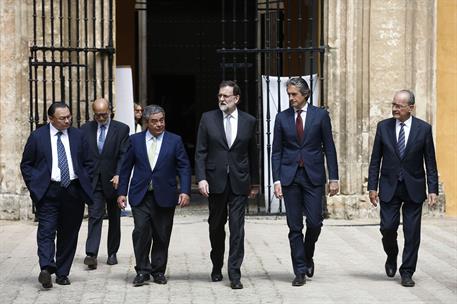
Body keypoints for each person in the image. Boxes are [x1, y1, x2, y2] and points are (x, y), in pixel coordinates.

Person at [271, 77, 339, 286]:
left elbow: (329, 147)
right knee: (294, 227)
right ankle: (299, 270)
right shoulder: (281, 118)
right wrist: (276, 180)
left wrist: (334, 178)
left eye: (294, 94)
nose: (291, 98)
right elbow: (277, 151)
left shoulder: (320, 116)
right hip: (290, 176)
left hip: (313, 176)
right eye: (289, 94)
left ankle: (307, 254)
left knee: (315, 222)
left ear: (305, 94)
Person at [368, 89, 438, 287]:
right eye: (393, 105)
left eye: (399, 106)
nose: (395, 109)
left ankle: (407, 271)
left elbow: (430, 162)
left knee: (412, 232)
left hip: (414, 187)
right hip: (389, 186)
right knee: (387, 228)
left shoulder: (423, 129)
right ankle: (391, 255)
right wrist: (372, 187)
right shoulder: (383, 127)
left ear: (411, 108)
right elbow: (375, 160)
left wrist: (432, 189)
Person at [20, 102, 94, 288]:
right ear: (51, 119)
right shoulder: (38, 137)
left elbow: (89, 162)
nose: (67, 120)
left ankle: (62, 273)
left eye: (69, 116)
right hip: (48, 191)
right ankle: (46, 268)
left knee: (69, 233)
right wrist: (35, 186)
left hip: (73, 190)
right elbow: (26, 164)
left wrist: (85, 182)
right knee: (46, 230)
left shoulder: (78, 135)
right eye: (62, 118)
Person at [117, 104, 191, 287]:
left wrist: (185, 191)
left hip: (165, 194)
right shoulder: (135, 141)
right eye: (154, 121)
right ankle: (142, 270)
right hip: (141, 195)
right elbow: (125, 168)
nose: (159, 124)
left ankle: (158, 271)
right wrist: (121, 193)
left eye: (162, 120)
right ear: (146, 123)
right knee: (141, 232)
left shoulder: (175, 141)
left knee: (162, 234)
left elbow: (184, 166)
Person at [195, 80, 258, 290]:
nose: (222, 99)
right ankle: (216, 264)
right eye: (220, 95)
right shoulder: (208, 118)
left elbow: (252, 154)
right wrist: (201, 178)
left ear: (236, 98)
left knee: (237, 228)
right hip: (216, 182)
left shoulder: (249, 121)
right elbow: (201, 151)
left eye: (226, 96)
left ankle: (235, 273)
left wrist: (255, 182)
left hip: (239, 182)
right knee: (216, 226)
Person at [80, 98, 130, 269]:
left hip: (113, 181)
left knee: (114, 217)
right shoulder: (85, 129)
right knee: (95, 215)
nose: (101, 118)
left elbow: (124, 154)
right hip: (94, 180)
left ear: (110, 110)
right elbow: (82, 154)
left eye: (104, 115)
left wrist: (119, 174)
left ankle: (112, 252)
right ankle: (91, 254)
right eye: (97, 115)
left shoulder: (122, 129)